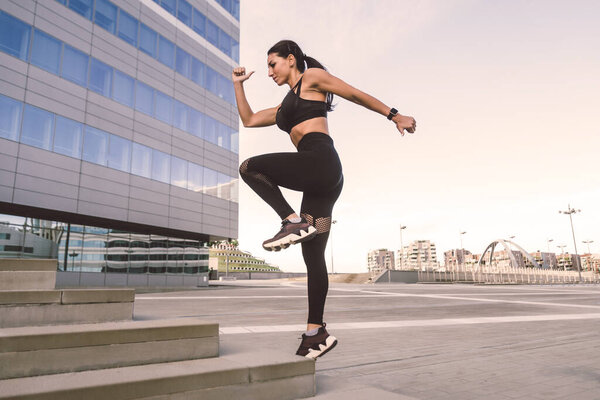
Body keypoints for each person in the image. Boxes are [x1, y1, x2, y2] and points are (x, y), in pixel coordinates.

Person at [233, 40, 416, 359]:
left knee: (250, 168)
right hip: (323, 182)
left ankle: (292, 221)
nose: (268, 72)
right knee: (313, 254)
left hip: (321, 162)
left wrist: (395, 115)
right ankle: (315, 333)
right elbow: (248, 119)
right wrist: (238, 85)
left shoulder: (312, 77)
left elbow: (355, 93)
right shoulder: (282, 108)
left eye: (272, 64)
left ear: (291, 60)